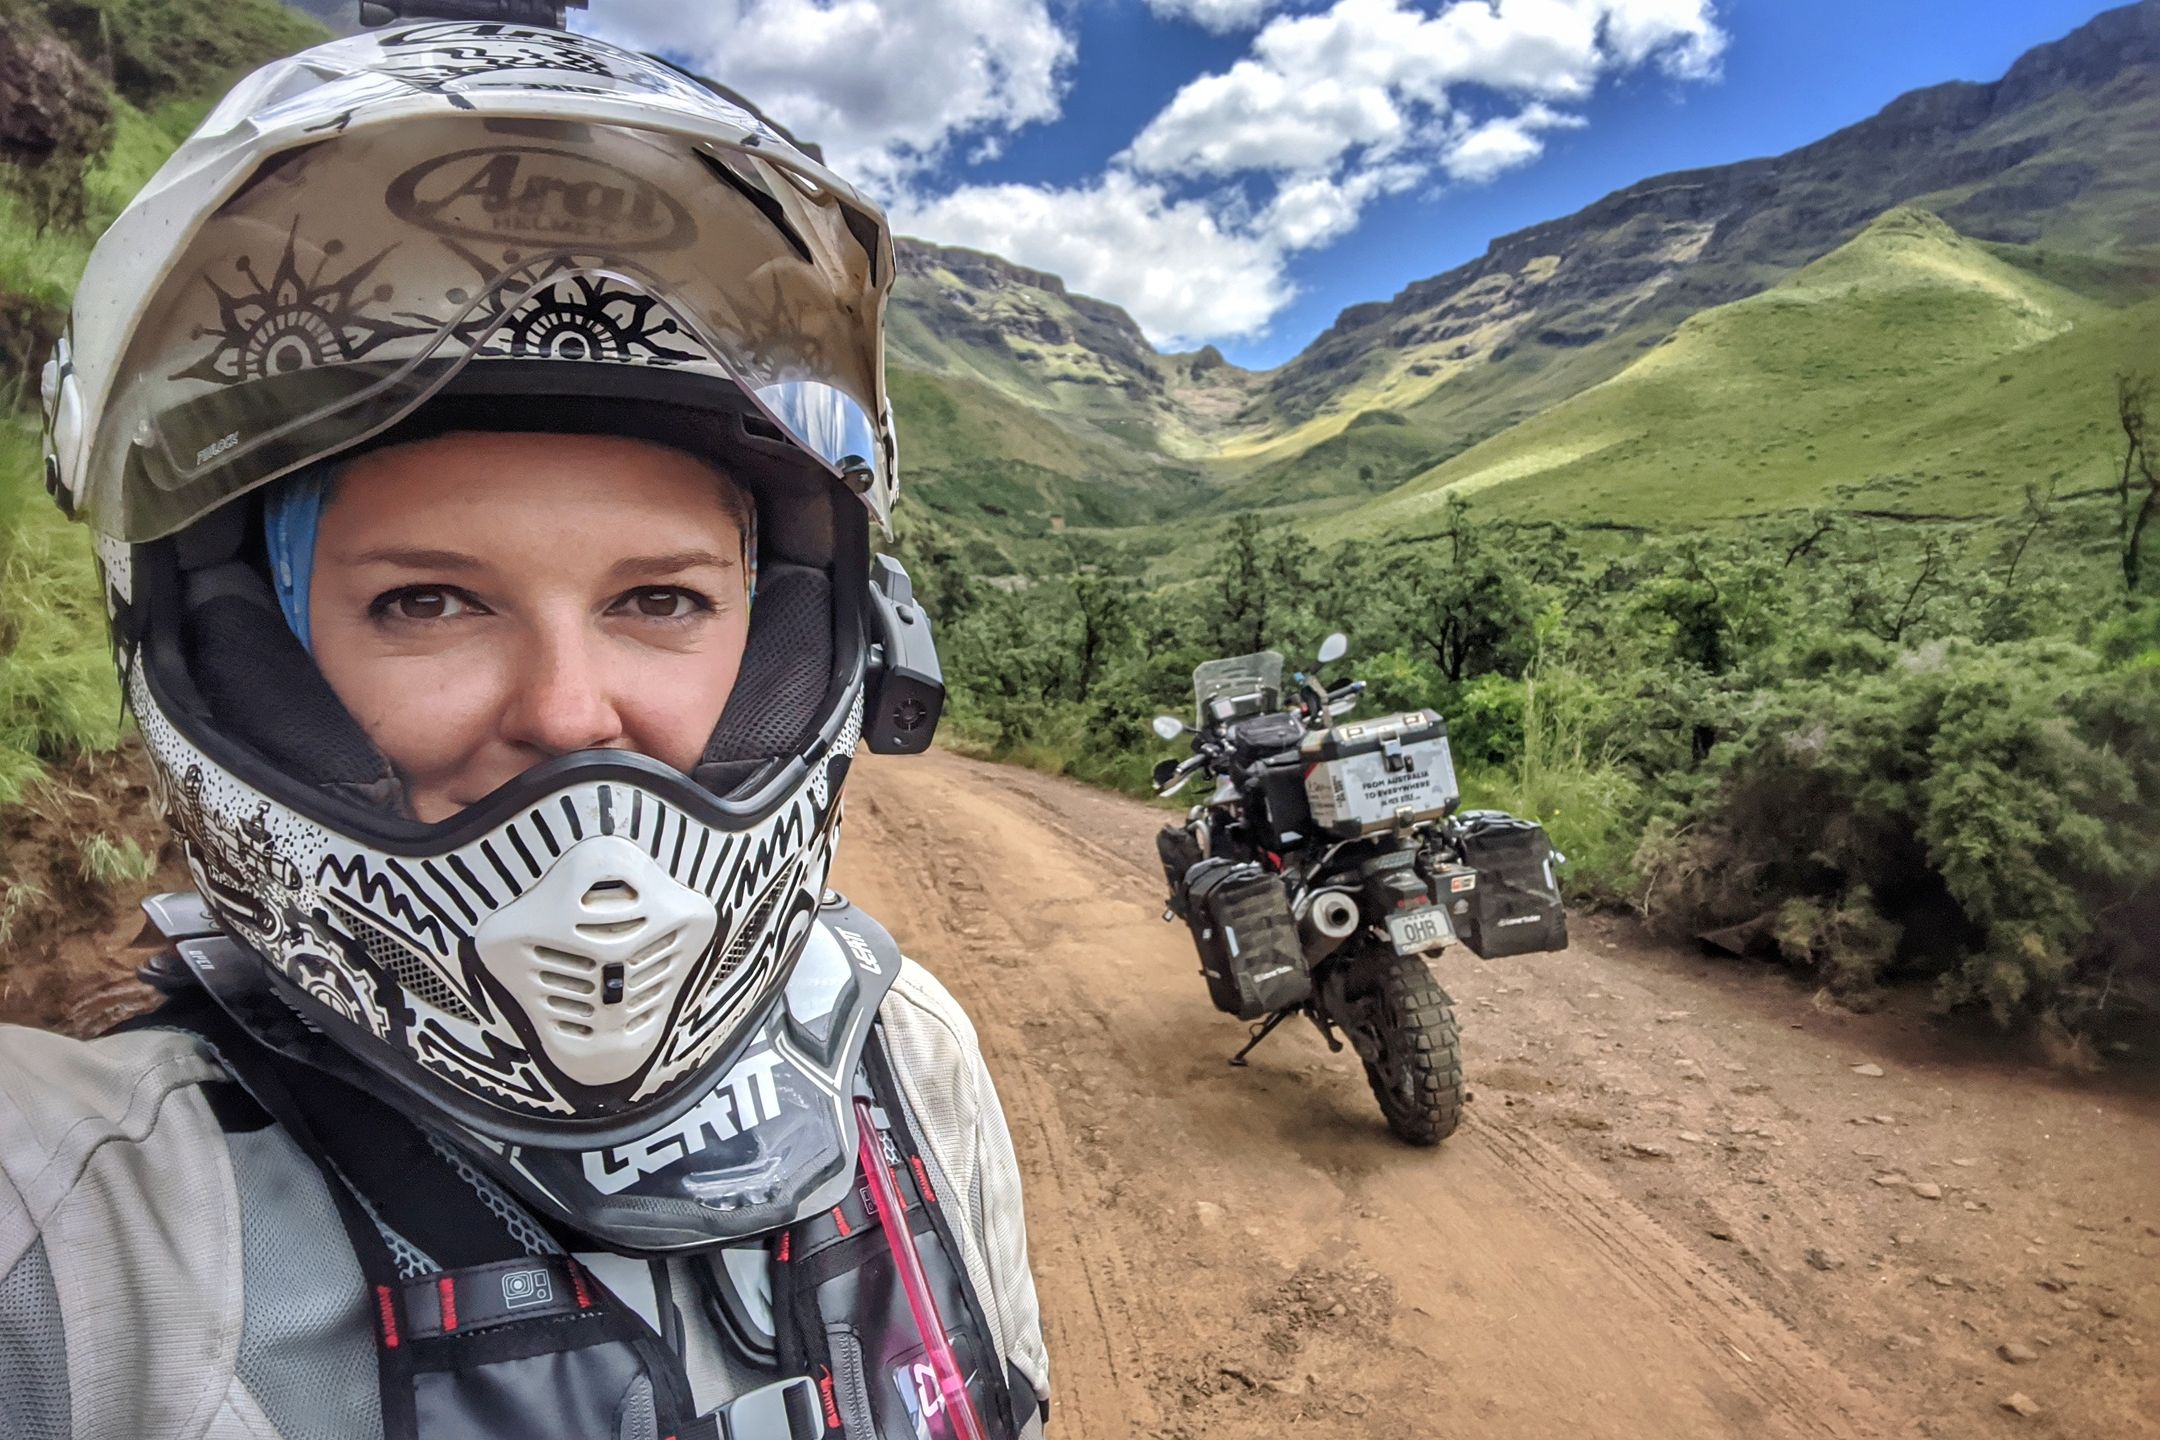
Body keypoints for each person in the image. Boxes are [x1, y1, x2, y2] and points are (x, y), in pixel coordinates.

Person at [1, 22, 1049, 1440]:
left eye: (662, 600)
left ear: (797, 646)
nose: (566, 712)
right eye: (428, 602)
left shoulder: (907, 1060)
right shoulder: (80, 1229)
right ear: (246, 660)